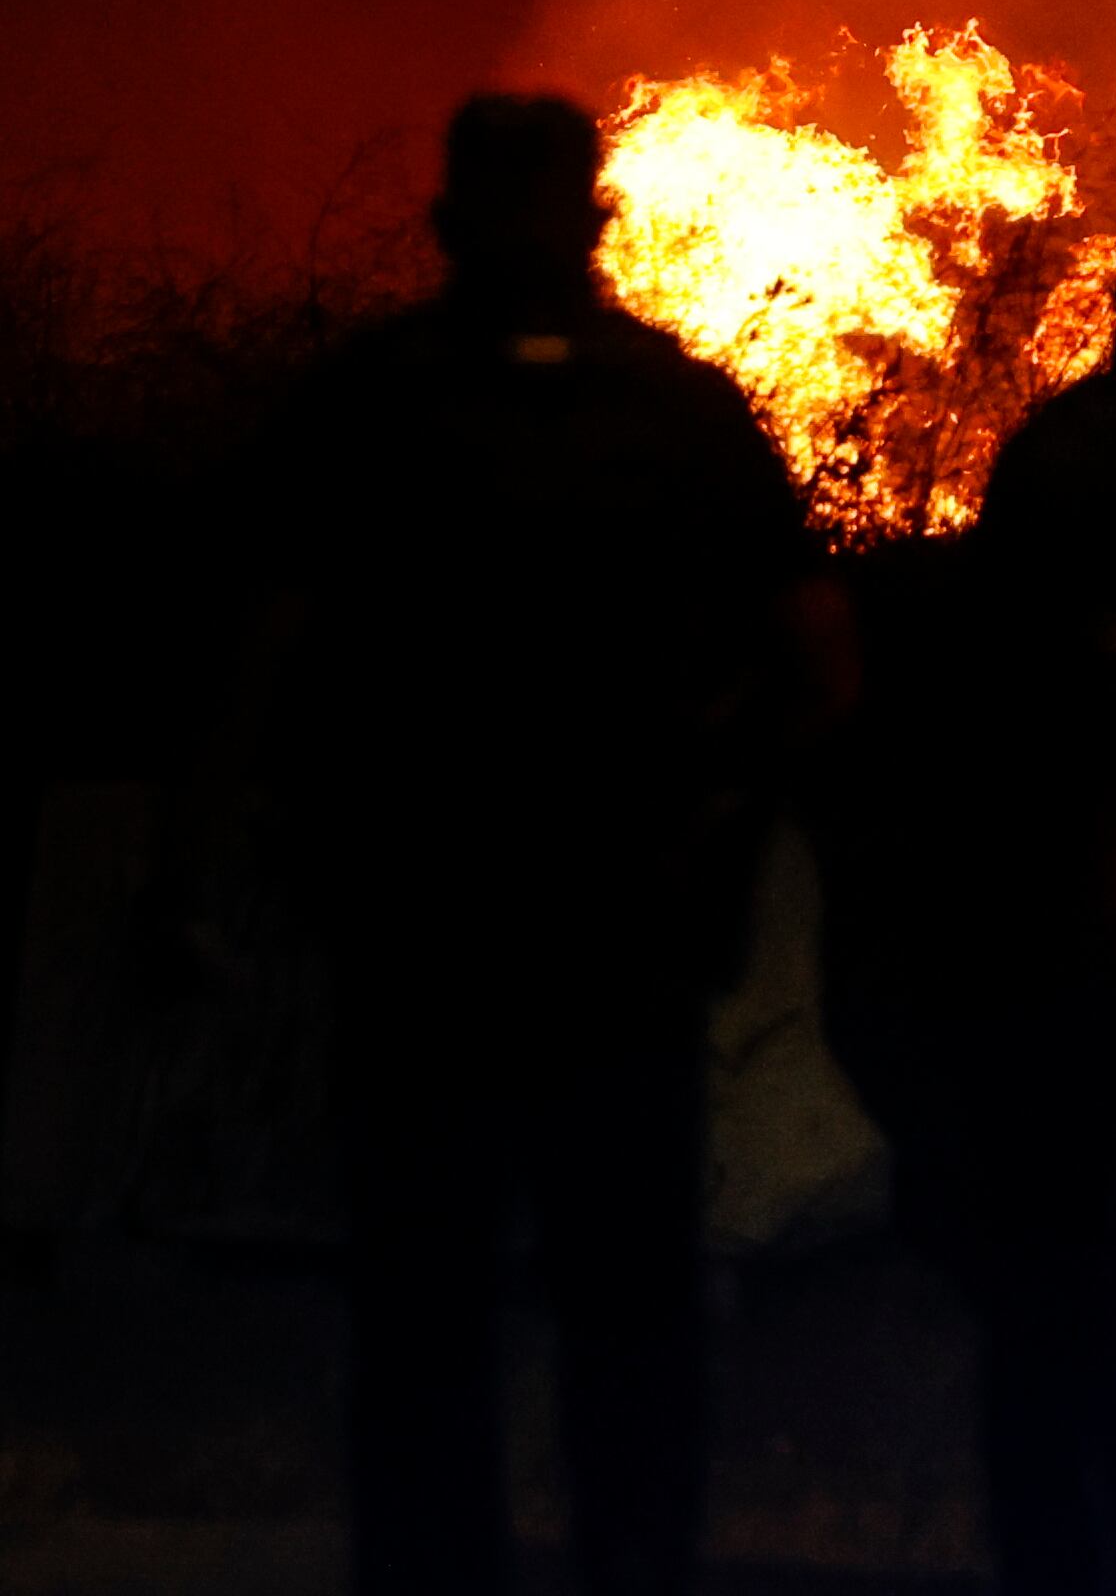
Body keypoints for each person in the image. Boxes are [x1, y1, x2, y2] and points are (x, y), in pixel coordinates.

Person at [256, 92, 841, 1596]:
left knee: (428, 1311)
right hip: (604, 935)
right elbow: (819, 661)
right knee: (620, 1309)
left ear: (444, 218)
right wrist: (722, 836)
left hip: (435, 936)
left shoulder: (367, 401)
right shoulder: (678, 410)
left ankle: (442, 1572)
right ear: (596, 219)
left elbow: (265, 657)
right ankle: (628, 1566)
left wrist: (293, 856)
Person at [816, 219, 1116, 1595]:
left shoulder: (1113, 464)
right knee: (1060, 1285)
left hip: (1048, 936)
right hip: (1039, 946)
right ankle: (1072, 1553)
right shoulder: (1090, 477)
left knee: (1066, 1290)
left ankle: (1076, 1545)